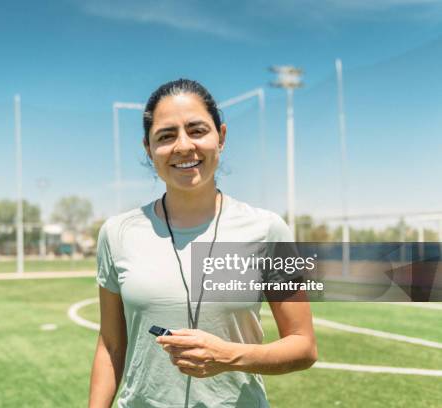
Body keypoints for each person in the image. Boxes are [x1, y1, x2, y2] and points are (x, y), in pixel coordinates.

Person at [89, 79, 317, 407]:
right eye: (166, 136)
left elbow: (303, 346)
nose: (183, 146)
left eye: (197, 130)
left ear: (220, 137)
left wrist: (228, 356)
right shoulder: (117, 233)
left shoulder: (267, 230)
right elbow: (110, 346)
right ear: (148, 148)